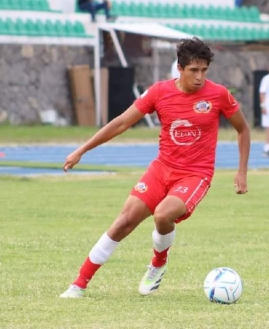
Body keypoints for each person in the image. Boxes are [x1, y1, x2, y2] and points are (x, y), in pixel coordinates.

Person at [59, 37, 250, 299]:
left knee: (162, 215)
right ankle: (78, 284)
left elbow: (243, 129)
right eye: (193, 70)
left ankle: (158, 262)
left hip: (196, 175)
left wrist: (241, 171)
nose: (199, 77)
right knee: (124, 221)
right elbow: (121, 123)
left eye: (204, 70)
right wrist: (82, 150)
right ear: (180, 69)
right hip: (162, 169)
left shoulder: (218, 94)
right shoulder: (160, 92)